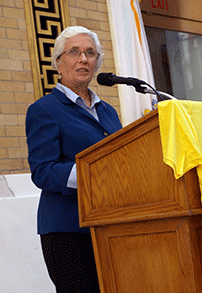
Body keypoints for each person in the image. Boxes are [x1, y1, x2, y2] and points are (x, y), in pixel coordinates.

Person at [25, 26, 122, 292]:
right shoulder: (44, 110)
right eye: (74, 52)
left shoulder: (108, 112)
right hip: (67, 231)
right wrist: (94, 174)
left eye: (90, 53)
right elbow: (43, 172)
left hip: (110, 226)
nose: (84, 59)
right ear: (59, 63)